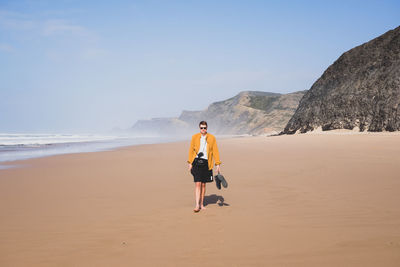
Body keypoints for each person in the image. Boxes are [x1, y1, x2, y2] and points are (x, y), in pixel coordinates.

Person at [188, 121, 221, 212]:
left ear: (207, 128)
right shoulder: (194, 137)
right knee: (197, 183)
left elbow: (215, 151)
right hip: (196, 163)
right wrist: (190, 162)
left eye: (205, 128)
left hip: (207, 163)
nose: (203, 129)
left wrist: (217, 164)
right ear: (199, 128)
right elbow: (191, 150)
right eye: (201, 128)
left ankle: (202, 204)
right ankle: (197, 205)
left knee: (203, 184)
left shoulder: (212, 138)